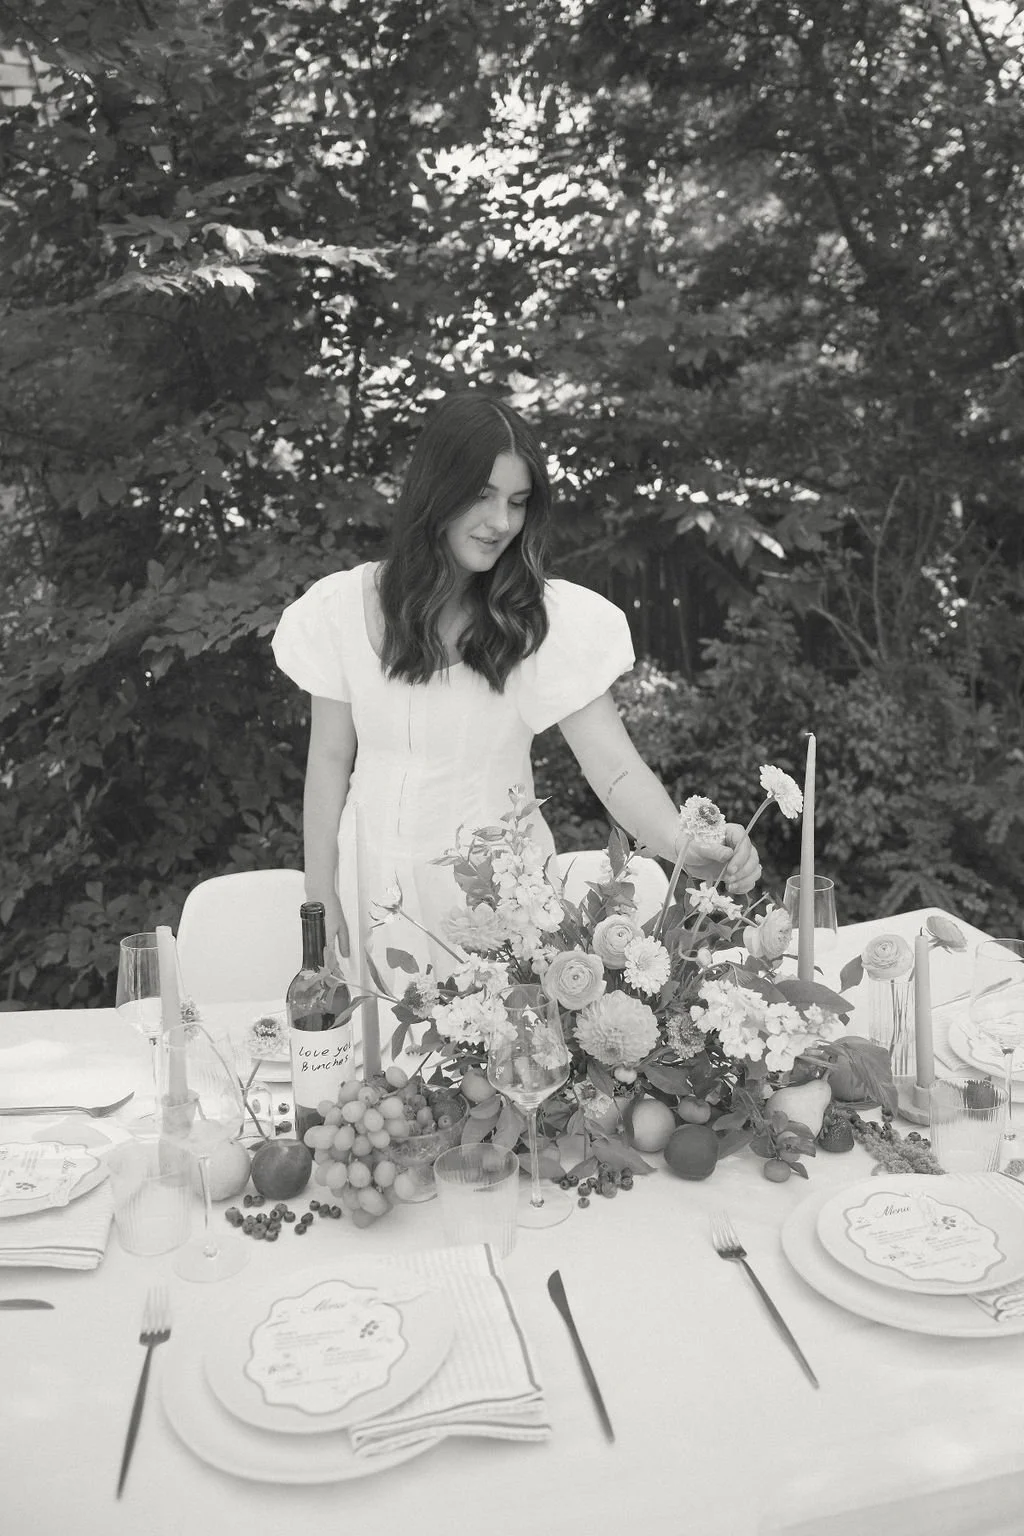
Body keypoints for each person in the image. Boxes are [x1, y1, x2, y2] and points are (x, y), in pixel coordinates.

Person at [272, 391, 760, 992]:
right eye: (482, 495)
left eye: (518, 502)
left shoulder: (536, 621)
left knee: (499, 1076)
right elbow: (327, 761)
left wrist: (689, 847)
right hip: (367, 886)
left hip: (501, 901)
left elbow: (616, 772)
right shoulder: (342, 608)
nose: (501, 522)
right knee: (377, 1078)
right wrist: (319, 899)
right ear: (435, 492)